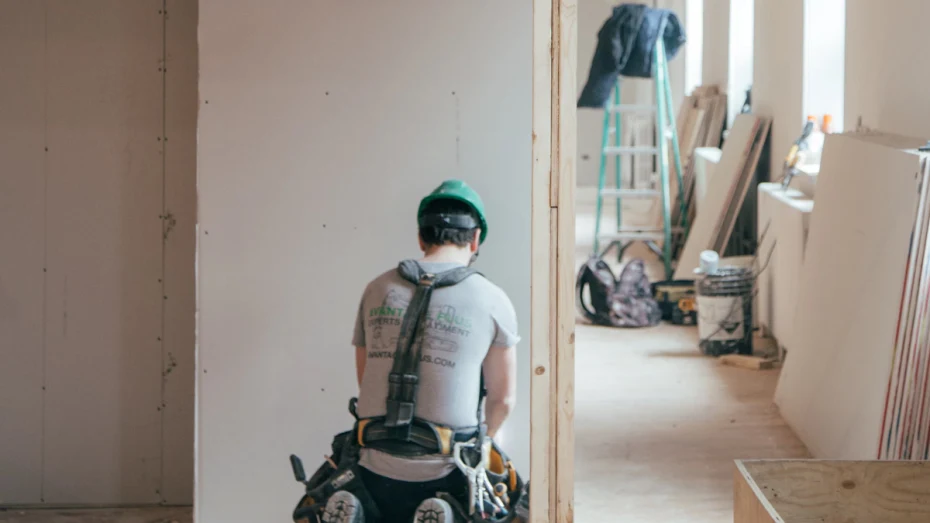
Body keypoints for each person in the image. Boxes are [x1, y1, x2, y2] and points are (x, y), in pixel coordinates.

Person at [322, 180, 519, 523]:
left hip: (373, 462)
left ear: (420, 237)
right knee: (507, 488)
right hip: (444, 468)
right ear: (475, 240)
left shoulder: (377, 288)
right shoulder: (492, 298)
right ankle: (447, 511)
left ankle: (357, 506)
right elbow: (502, 400)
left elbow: (365, 377)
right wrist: (486, 440)